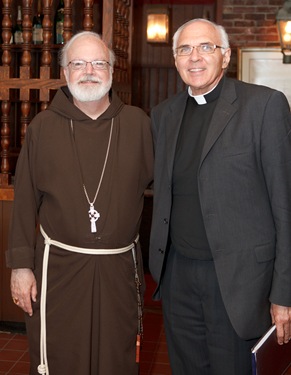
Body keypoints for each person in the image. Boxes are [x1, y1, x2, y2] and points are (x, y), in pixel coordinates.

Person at [149, 18, 291, 375]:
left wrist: (284, 294)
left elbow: (286, 207)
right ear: (175, 58)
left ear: (225, 56)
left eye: (206, 47)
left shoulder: (264, 107)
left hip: (239, 282)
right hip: (178, 275)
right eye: (185, 49)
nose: (194, 57)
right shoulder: (163, 115)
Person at [6, 31, 153, 375]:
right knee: (61, 358)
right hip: (57, 271)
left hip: (118, 271)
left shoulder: (138, 124)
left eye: (98, 62)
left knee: (115, 358)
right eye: (78, 63)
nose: (89, 70)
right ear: (65, 72)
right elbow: (25, 199)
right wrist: (21, 267)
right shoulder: (42, 127)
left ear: (112, 71)